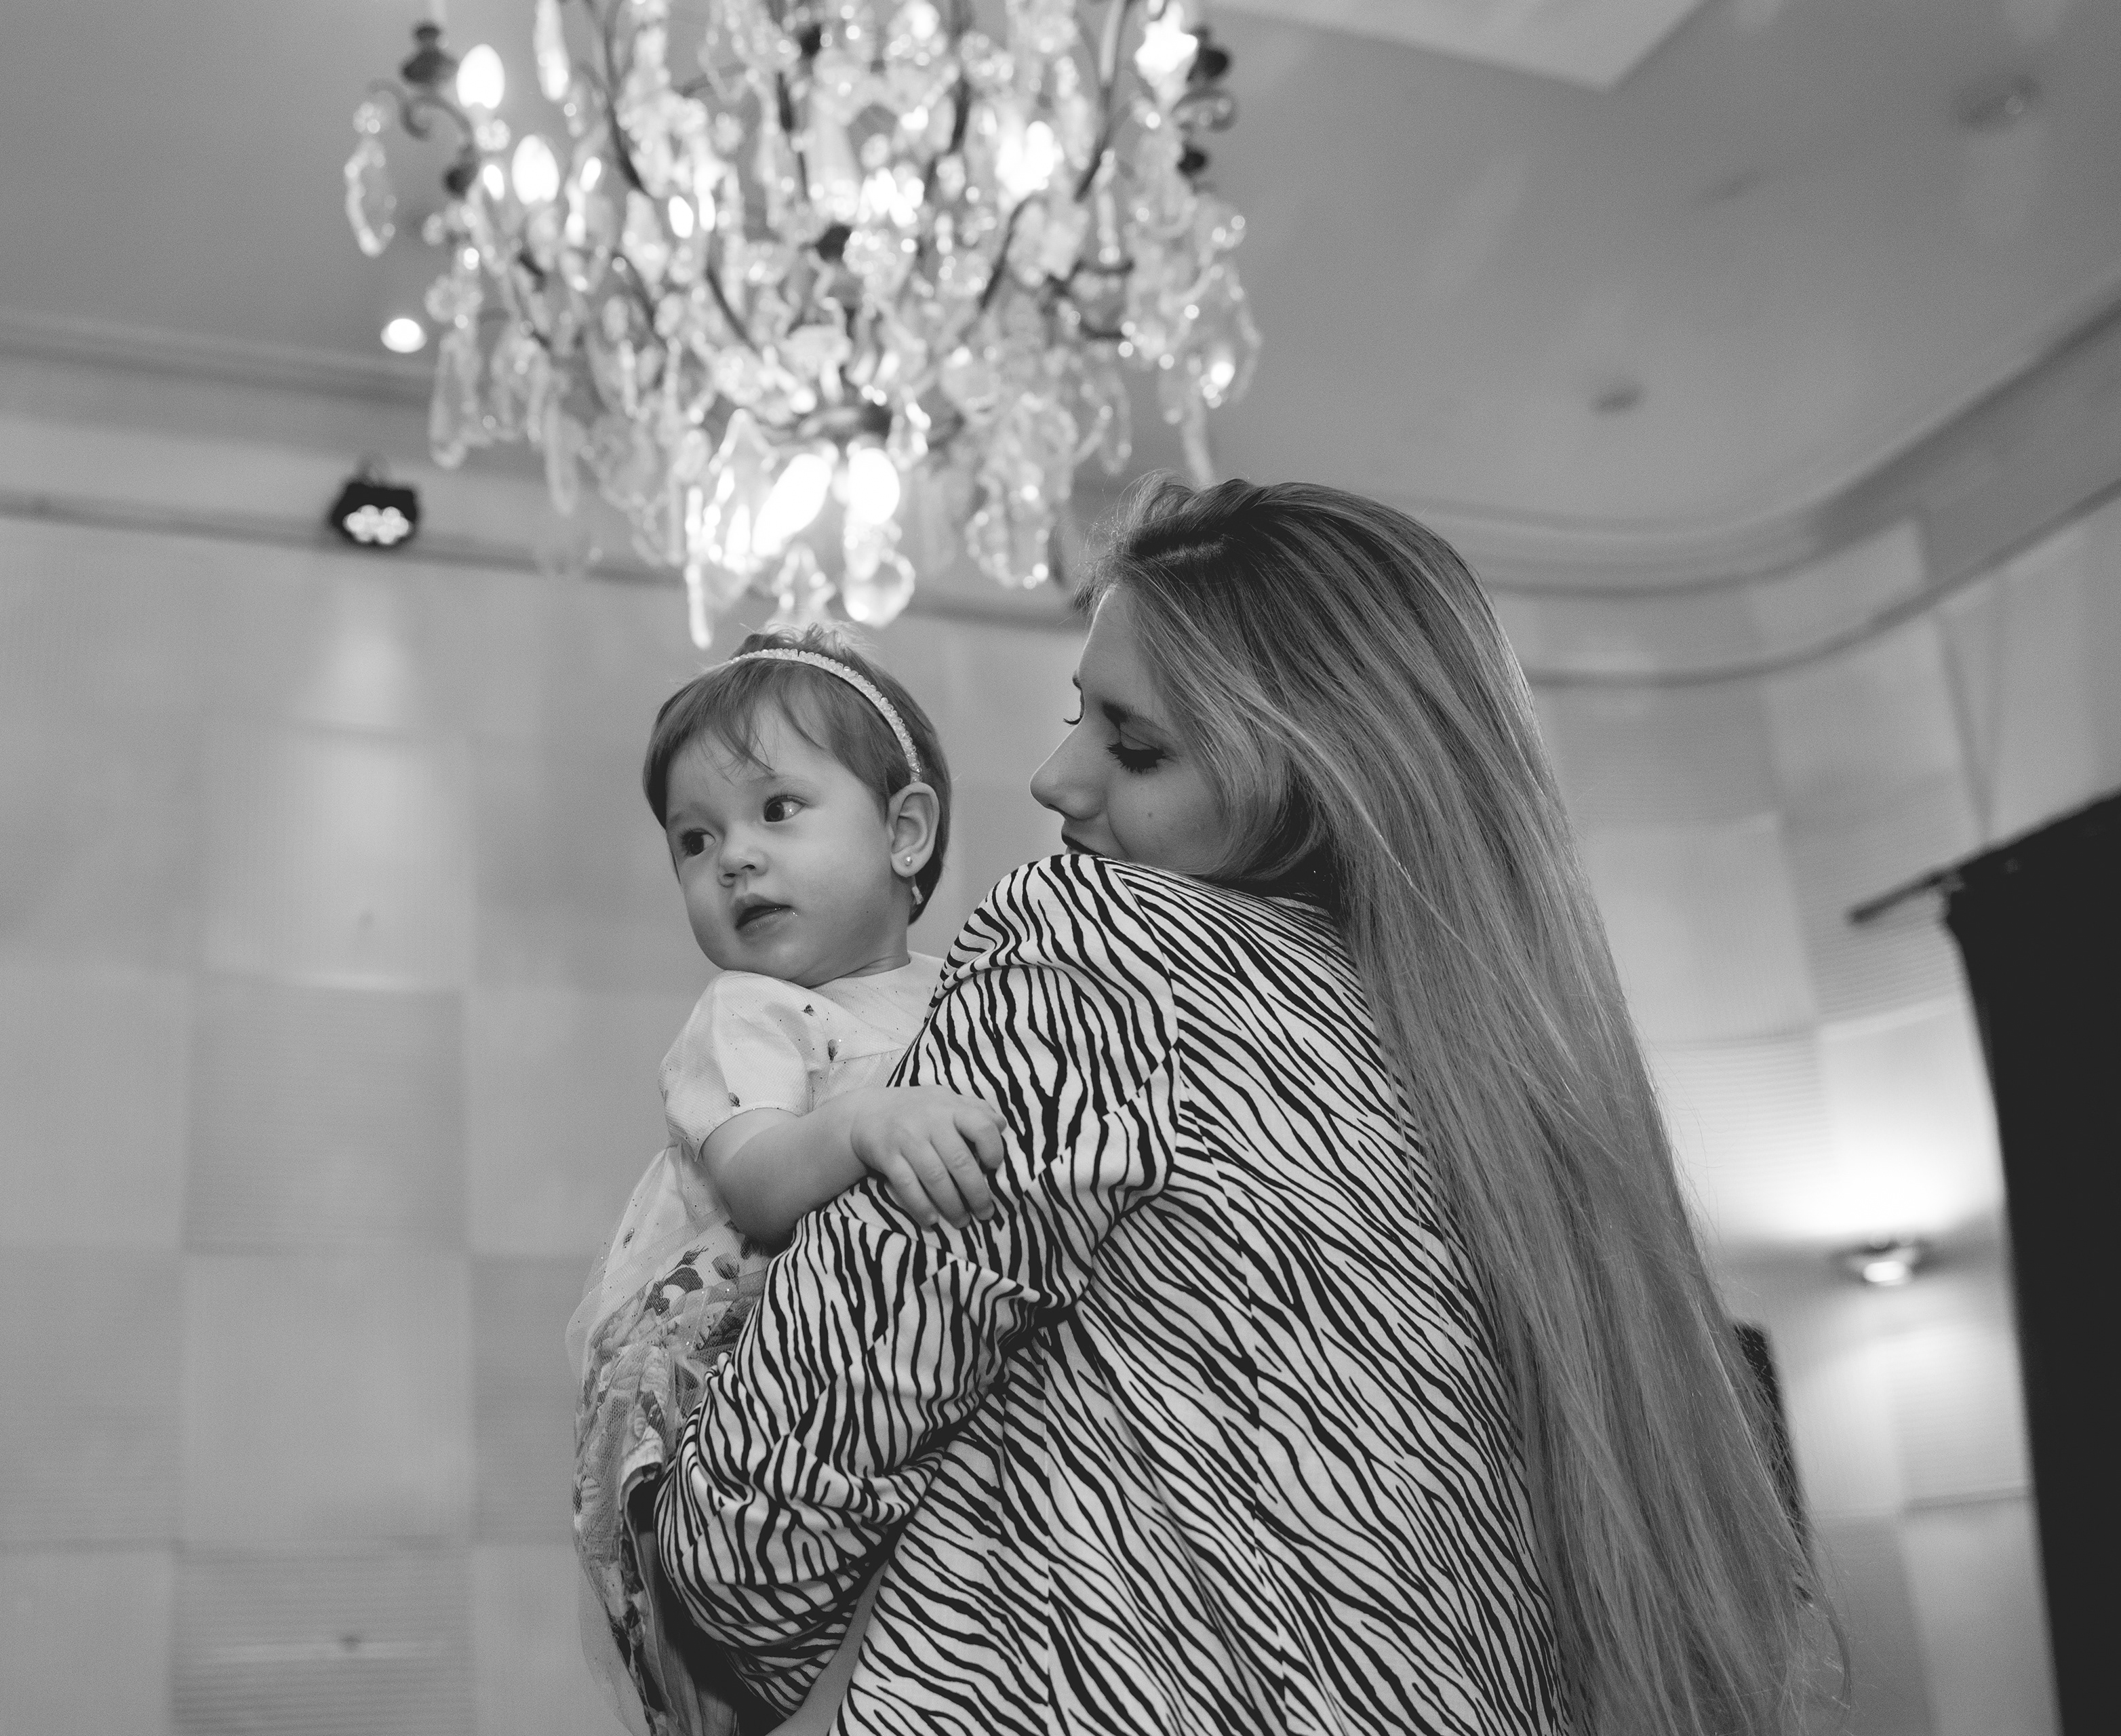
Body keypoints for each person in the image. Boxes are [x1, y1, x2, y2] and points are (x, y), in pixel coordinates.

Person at [660, 480, 1819, 1736]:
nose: (1054, 779)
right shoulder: (1501, 1066)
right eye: (1078, 718)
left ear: (1317, 776)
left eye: (1135, 745)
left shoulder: (1105, 952)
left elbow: (746, 1554)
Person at [570, 628, 1011, 1736]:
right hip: (755, 1399)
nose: (733, 859)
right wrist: (861, 1122)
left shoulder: (966, 993)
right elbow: (764, 1183)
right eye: (695, 839)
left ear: (905, 832)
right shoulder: (750, 1013)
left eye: (777, 810)